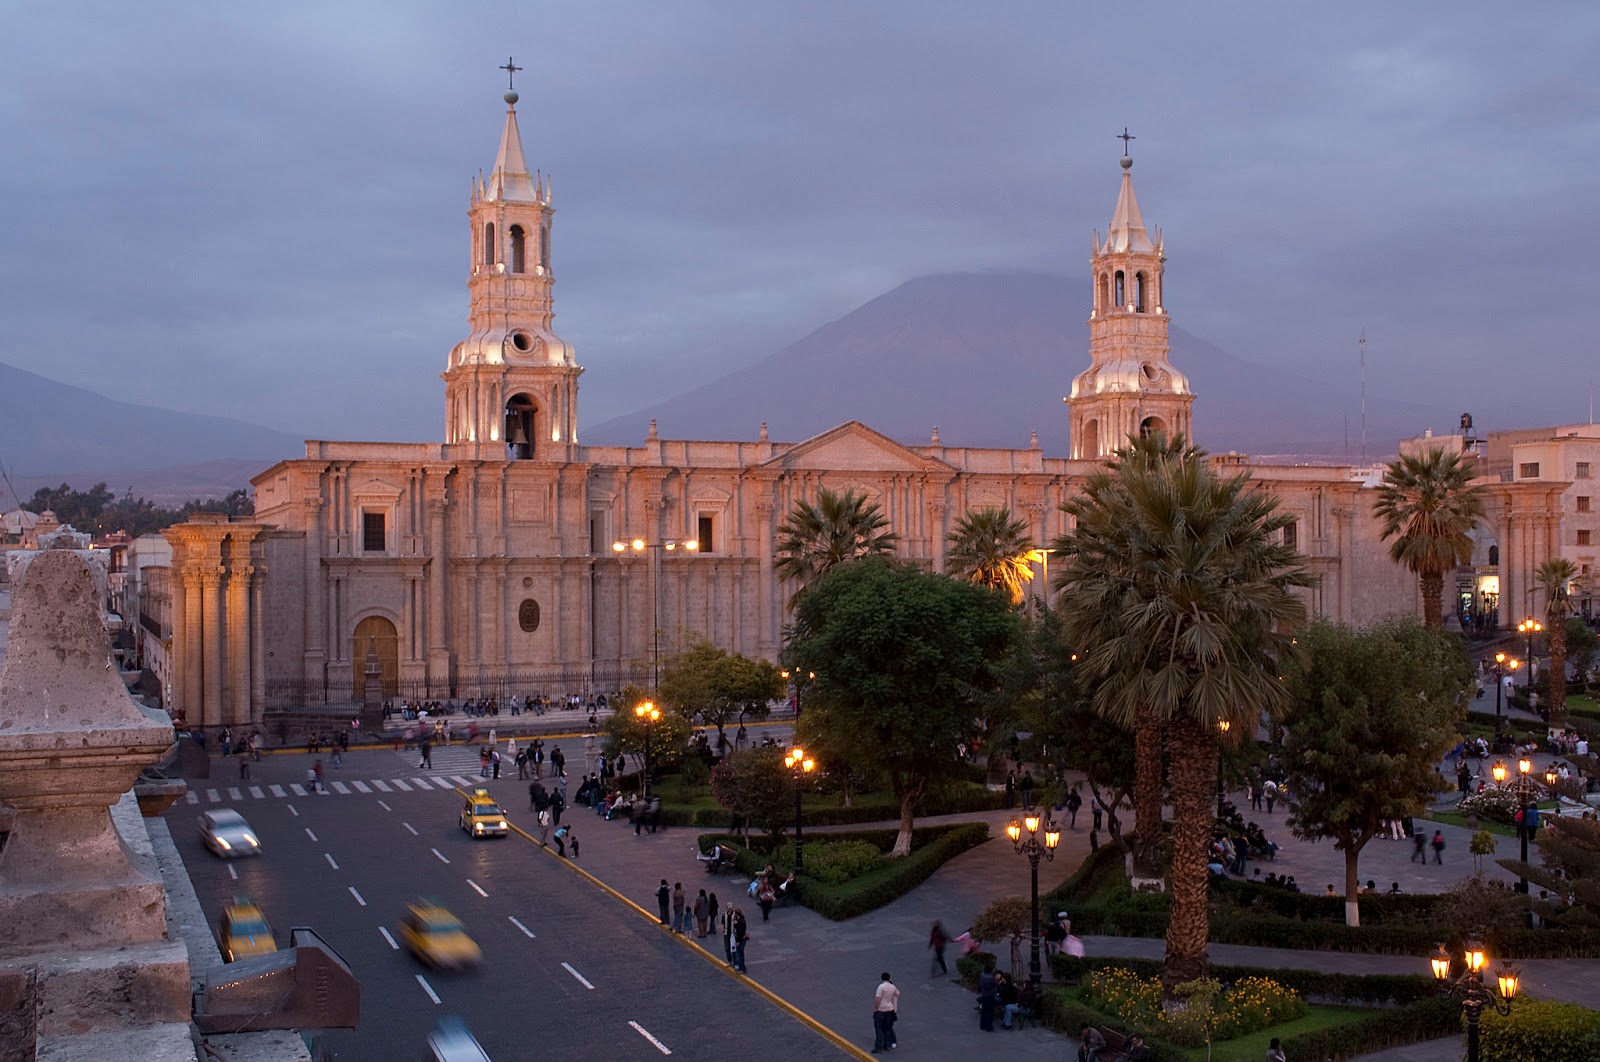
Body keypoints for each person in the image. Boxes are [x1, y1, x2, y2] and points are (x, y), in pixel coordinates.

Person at [872, 971, 900, 1053]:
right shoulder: (892, 987)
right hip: (890, 1010)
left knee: (878, 1028)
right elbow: (898, 993)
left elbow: (878, 998)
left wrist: (876, 1008)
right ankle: (887, 1045)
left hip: (881, 1009)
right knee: (887, 1028)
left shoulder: (881, 987)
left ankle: (878, 1046)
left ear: (882, 978)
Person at [731, 907, 749, 973]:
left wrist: (738, 941)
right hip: (741, 938)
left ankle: (742, 968)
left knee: (740, 953)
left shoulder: (741, 921)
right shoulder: (741, 920)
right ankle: (741, 967)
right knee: (739, 953)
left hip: (740, 939)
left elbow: (740, 932)